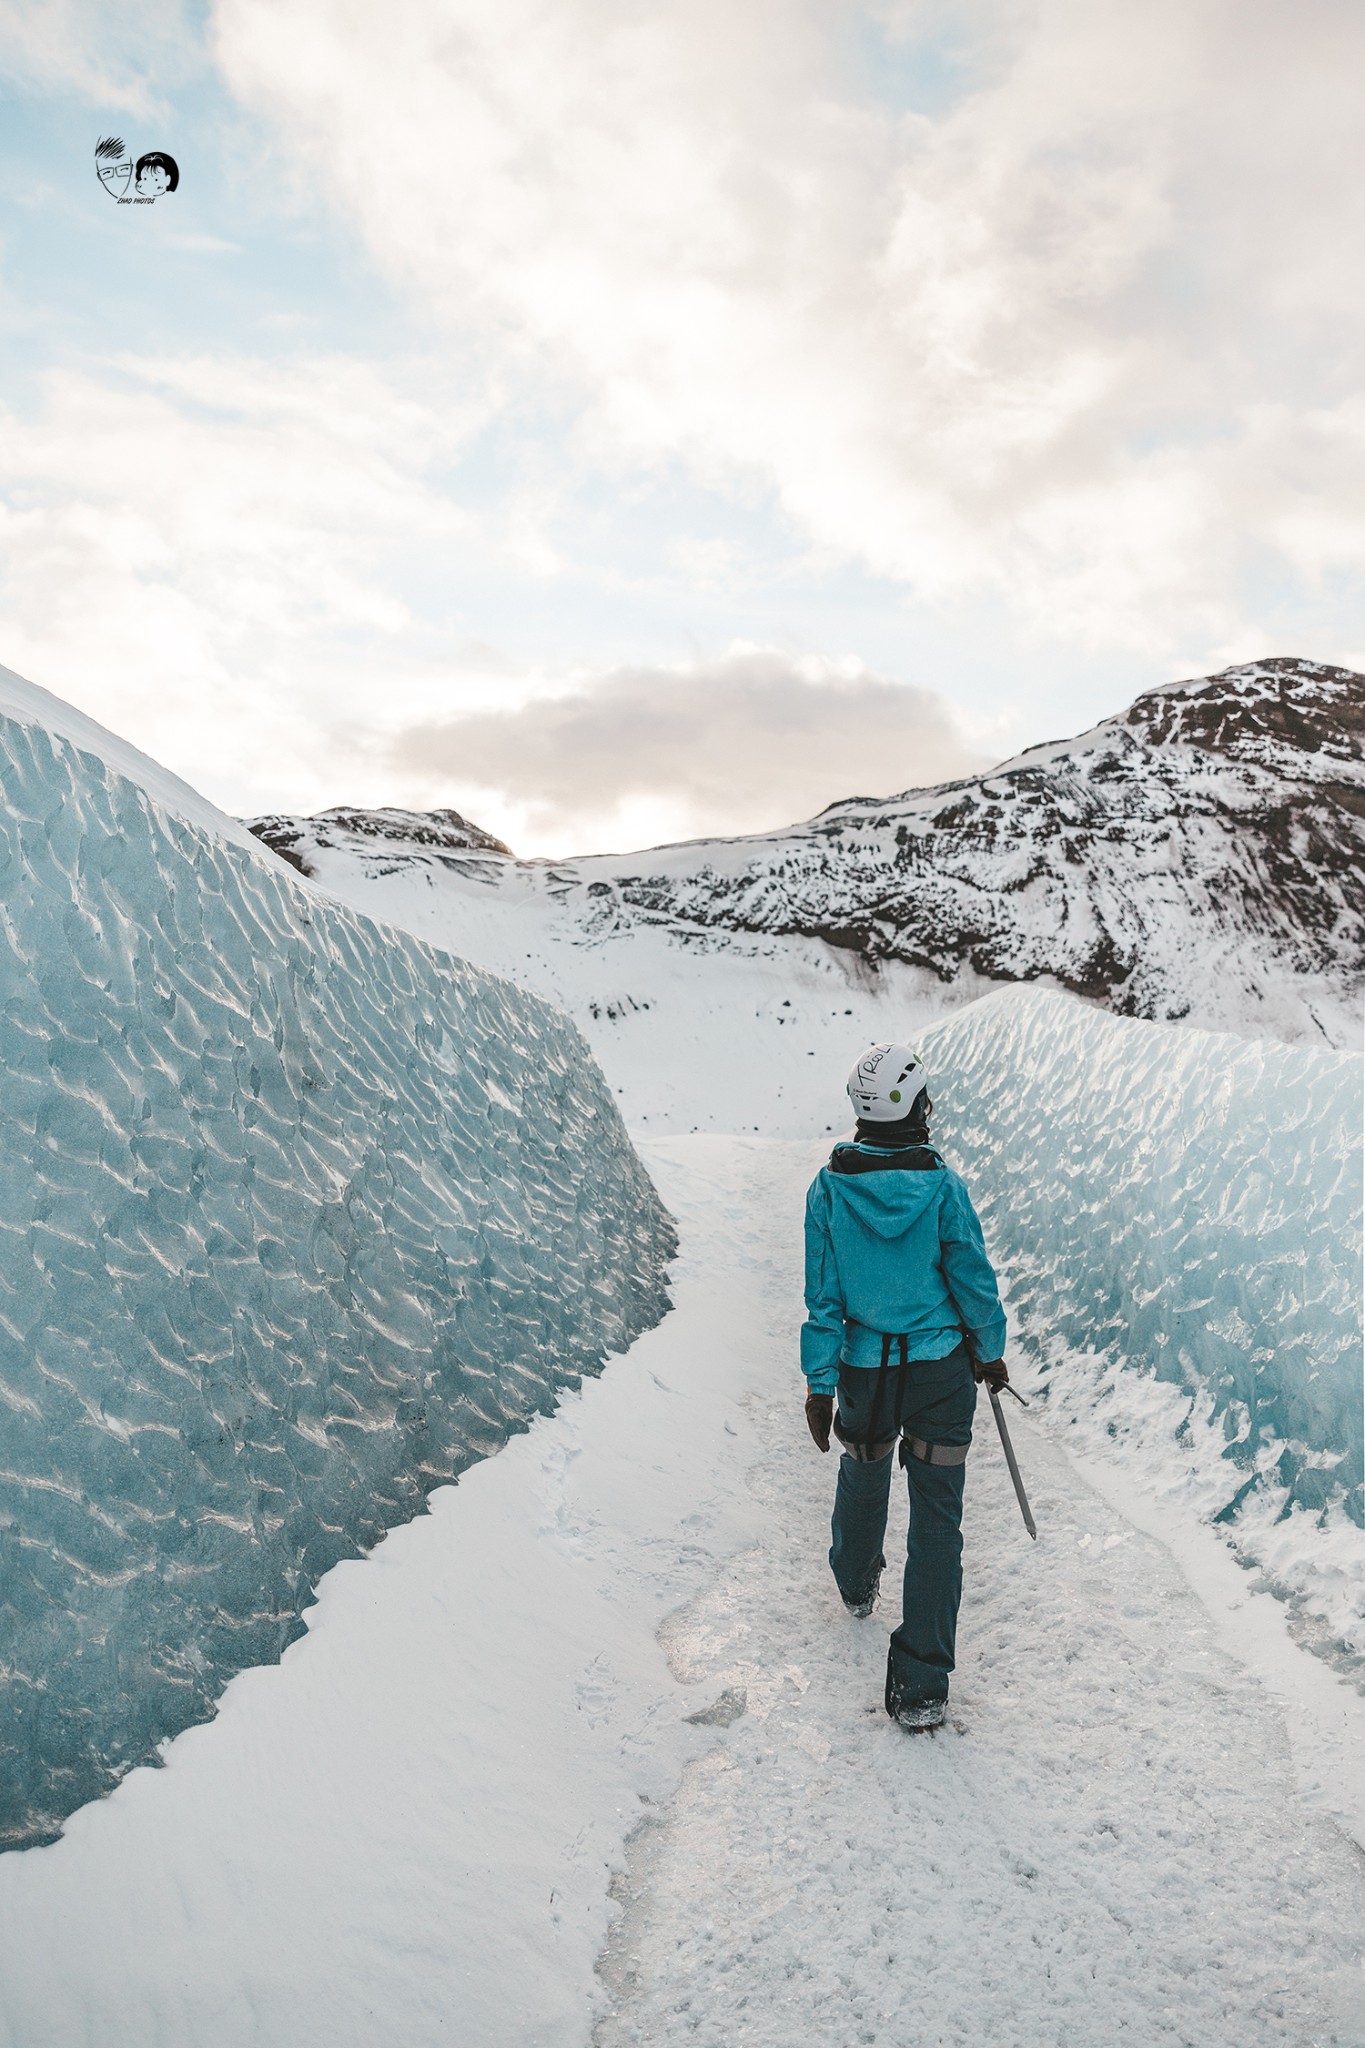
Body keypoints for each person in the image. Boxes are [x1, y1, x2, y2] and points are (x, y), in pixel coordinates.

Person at [800, 1043, 1008, 1733]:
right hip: (940, 1370)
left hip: (864, 1368)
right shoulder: (942, 1187)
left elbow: (822, 1297)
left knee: (861, 1471)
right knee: (937, 1521)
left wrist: (819, 1383)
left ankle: (855, 1582)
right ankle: (921, 1686)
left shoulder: (828, 1189)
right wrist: (990, 1352)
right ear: (911, 1107)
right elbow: (971, 1278)